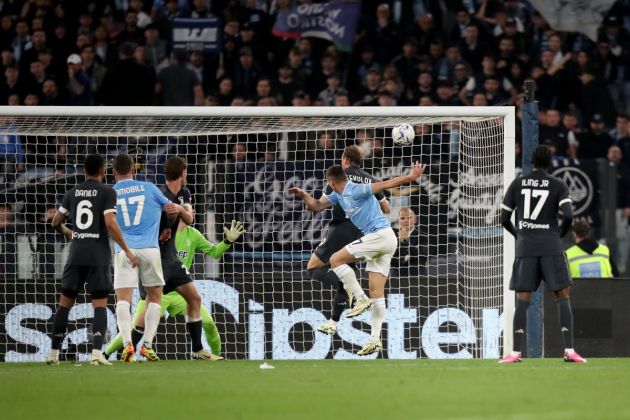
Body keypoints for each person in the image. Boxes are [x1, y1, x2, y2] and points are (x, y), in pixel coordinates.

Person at [289, 162, 426, 355]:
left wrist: (411, 177)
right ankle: (375, 340)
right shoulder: (337, 194)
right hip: (386, 240)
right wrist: (303, 195)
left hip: (379, 236)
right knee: (376, 292)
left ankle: (360, 299)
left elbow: (385, 184)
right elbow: (316, 206)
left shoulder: (358, 189)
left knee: (336, 259)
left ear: (331, 181)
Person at [104, 213, 244, 360]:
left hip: (180, 293)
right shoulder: (159, 230)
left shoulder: (194, 235)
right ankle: (105, 354)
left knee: (208, 323)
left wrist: (228, 241)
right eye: (189, 207)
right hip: (159, 293)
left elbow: (214, 253)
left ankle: (216, 356)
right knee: (136, 326)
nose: (193, 211)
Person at [133, 156, 234, 360]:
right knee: (146, 314)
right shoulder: (159, 194)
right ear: (183, 173)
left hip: (172, 259)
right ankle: (124, 350)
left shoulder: (184, 193)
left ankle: (197, 349)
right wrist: (161, 230)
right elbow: (144, 224)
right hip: (155, 258)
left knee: (194, 298)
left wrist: (179, 209)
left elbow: (190, 218)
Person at [45, 154, 139, 366]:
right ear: (103, 171)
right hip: (98, 256)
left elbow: (55, 221)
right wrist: (127, 250)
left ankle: (53, 353)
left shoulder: (72, 192)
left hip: (76, 255)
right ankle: (96, 354)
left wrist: (69, 233)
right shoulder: (108, 191)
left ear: (84, 170)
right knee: (99, 305)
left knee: (64, 305)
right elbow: (109, 222)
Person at [500, 145, 586, 363]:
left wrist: (519, 235)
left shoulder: (518, 183)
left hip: (526, 247)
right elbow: (568, 216)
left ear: (531, 161)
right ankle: (569, 350)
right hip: (551, 246)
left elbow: (503, 219)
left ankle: (516, 352)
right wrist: (559, 235)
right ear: (550, 163)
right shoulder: (558, 185)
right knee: (562, 295)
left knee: (523, 299)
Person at [302, 145, 390, 336]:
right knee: (346, 272)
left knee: (313, 268)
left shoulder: (339, 177)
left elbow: (319, 205)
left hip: (341, 229)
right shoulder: (370, 178)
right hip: (364, 233)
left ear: (346, 160)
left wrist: (307, 199)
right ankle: (333, 321)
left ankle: (353, 294)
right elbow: (387, 208)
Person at [112, 154, 179, 363]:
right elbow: (171, 208)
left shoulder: (111, 192)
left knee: (123, 300)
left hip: (124, 250)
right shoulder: (149, 187)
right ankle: (148, 346)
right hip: (150, 249)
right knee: (155, 298)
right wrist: (167, 225)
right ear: (134, 170)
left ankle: (127, 345)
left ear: (113, 172)